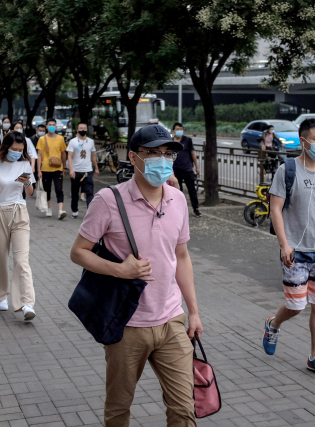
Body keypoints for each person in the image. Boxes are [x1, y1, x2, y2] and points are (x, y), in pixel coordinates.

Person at [70, 124, 202, 426]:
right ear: (134, 157)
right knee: (119, 409)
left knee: (184, 410)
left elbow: (181, 257)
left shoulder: (177, 199)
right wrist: (120, 269)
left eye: (167, 153)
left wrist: (193, 312)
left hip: (171, 321)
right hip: (126, 324)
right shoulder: (108, 200)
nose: (162, 160)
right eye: (152, 153)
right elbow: (79, 252)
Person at [262, 118, 315, 378]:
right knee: (296, 305)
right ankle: (273, 324)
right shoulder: (288, 169)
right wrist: (284, 245)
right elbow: (275, 208)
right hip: (297, 250)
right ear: (303, 141)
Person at [0, 131, 36, 321]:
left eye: (21, 150)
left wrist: (28, 182)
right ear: (5, 147)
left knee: (22, 259)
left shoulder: (25, 164)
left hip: (19, 213)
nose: (17, 153)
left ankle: (27, 303)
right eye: (14, 149)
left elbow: (29, 193)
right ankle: (0, 296)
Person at [36, 118, 67, 219]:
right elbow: (39, 155)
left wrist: (65, 167)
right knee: (47, 189)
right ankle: (48, 208)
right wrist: (39, 170)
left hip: (58, 168)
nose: (52, 126)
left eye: (53, 124)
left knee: (59, 189)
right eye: (50, 124)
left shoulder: (61, 139)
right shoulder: (42, 139)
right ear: (46, 126)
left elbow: (63, 153)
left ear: (56, 126)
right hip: (45, 168)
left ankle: (60, 210)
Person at [67, 123, 99, 218]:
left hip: (87, 171)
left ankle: (90, 212)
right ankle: (75, 210)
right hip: (76, 171)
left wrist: (96, 168)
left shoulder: (91, 142)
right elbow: (69, 156)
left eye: (84, 128)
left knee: (89, 192)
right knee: (75, 193)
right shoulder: (73, 142)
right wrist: (71, 169)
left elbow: (93, 156)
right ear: (77, 130)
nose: (83, 130)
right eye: (81, 128)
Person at [172, 123, 201, 218]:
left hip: (187, 169)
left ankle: (196, 208)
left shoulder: (187, 140)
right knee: (178, 191)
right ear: (173, 131)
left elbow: (193, 154)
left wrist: (196, 167)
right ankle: (179, 209)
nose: (179, 130)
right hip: (176, 170)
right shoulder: (170, 142)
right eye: (177, 129)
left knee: (192, 190)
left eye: (181, 129)